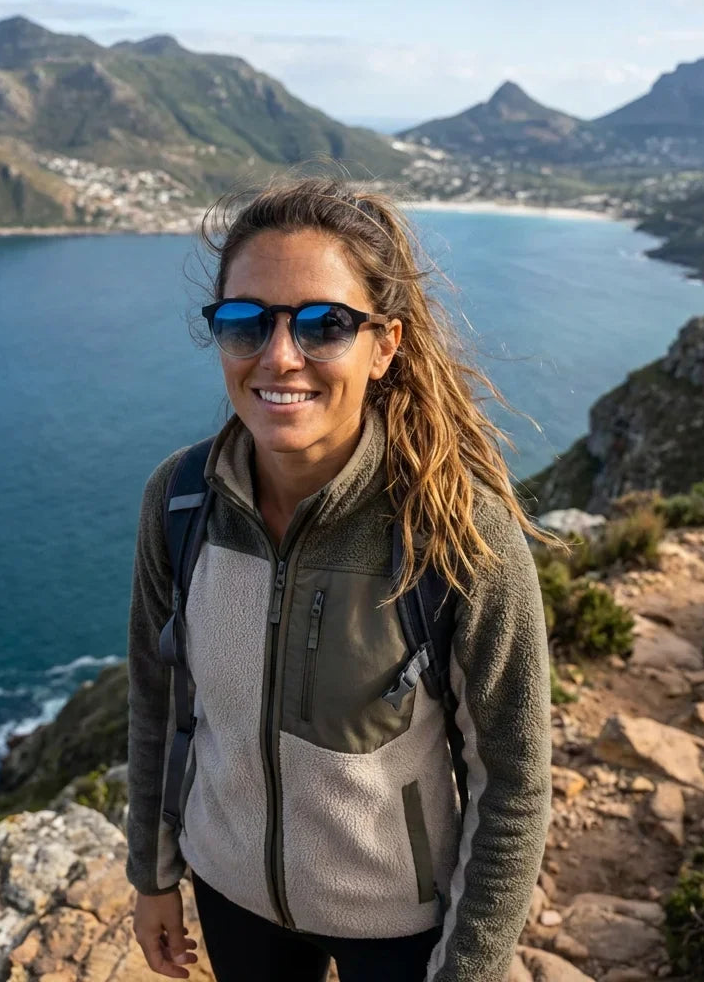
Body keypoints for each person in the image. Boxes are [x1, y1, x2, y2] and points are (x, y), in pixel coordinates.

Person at [126, 177, 552, 982]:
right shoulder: (180, 503)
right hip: (230, 891)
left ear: (383, 345)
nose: (279, 356)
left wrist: (469, 970)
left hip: (395, 921)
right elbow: (157, 700)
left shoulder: (456, 533)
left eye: (325, 325)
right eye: (246, 322)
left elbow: (514, 783)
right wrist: (152, 876)